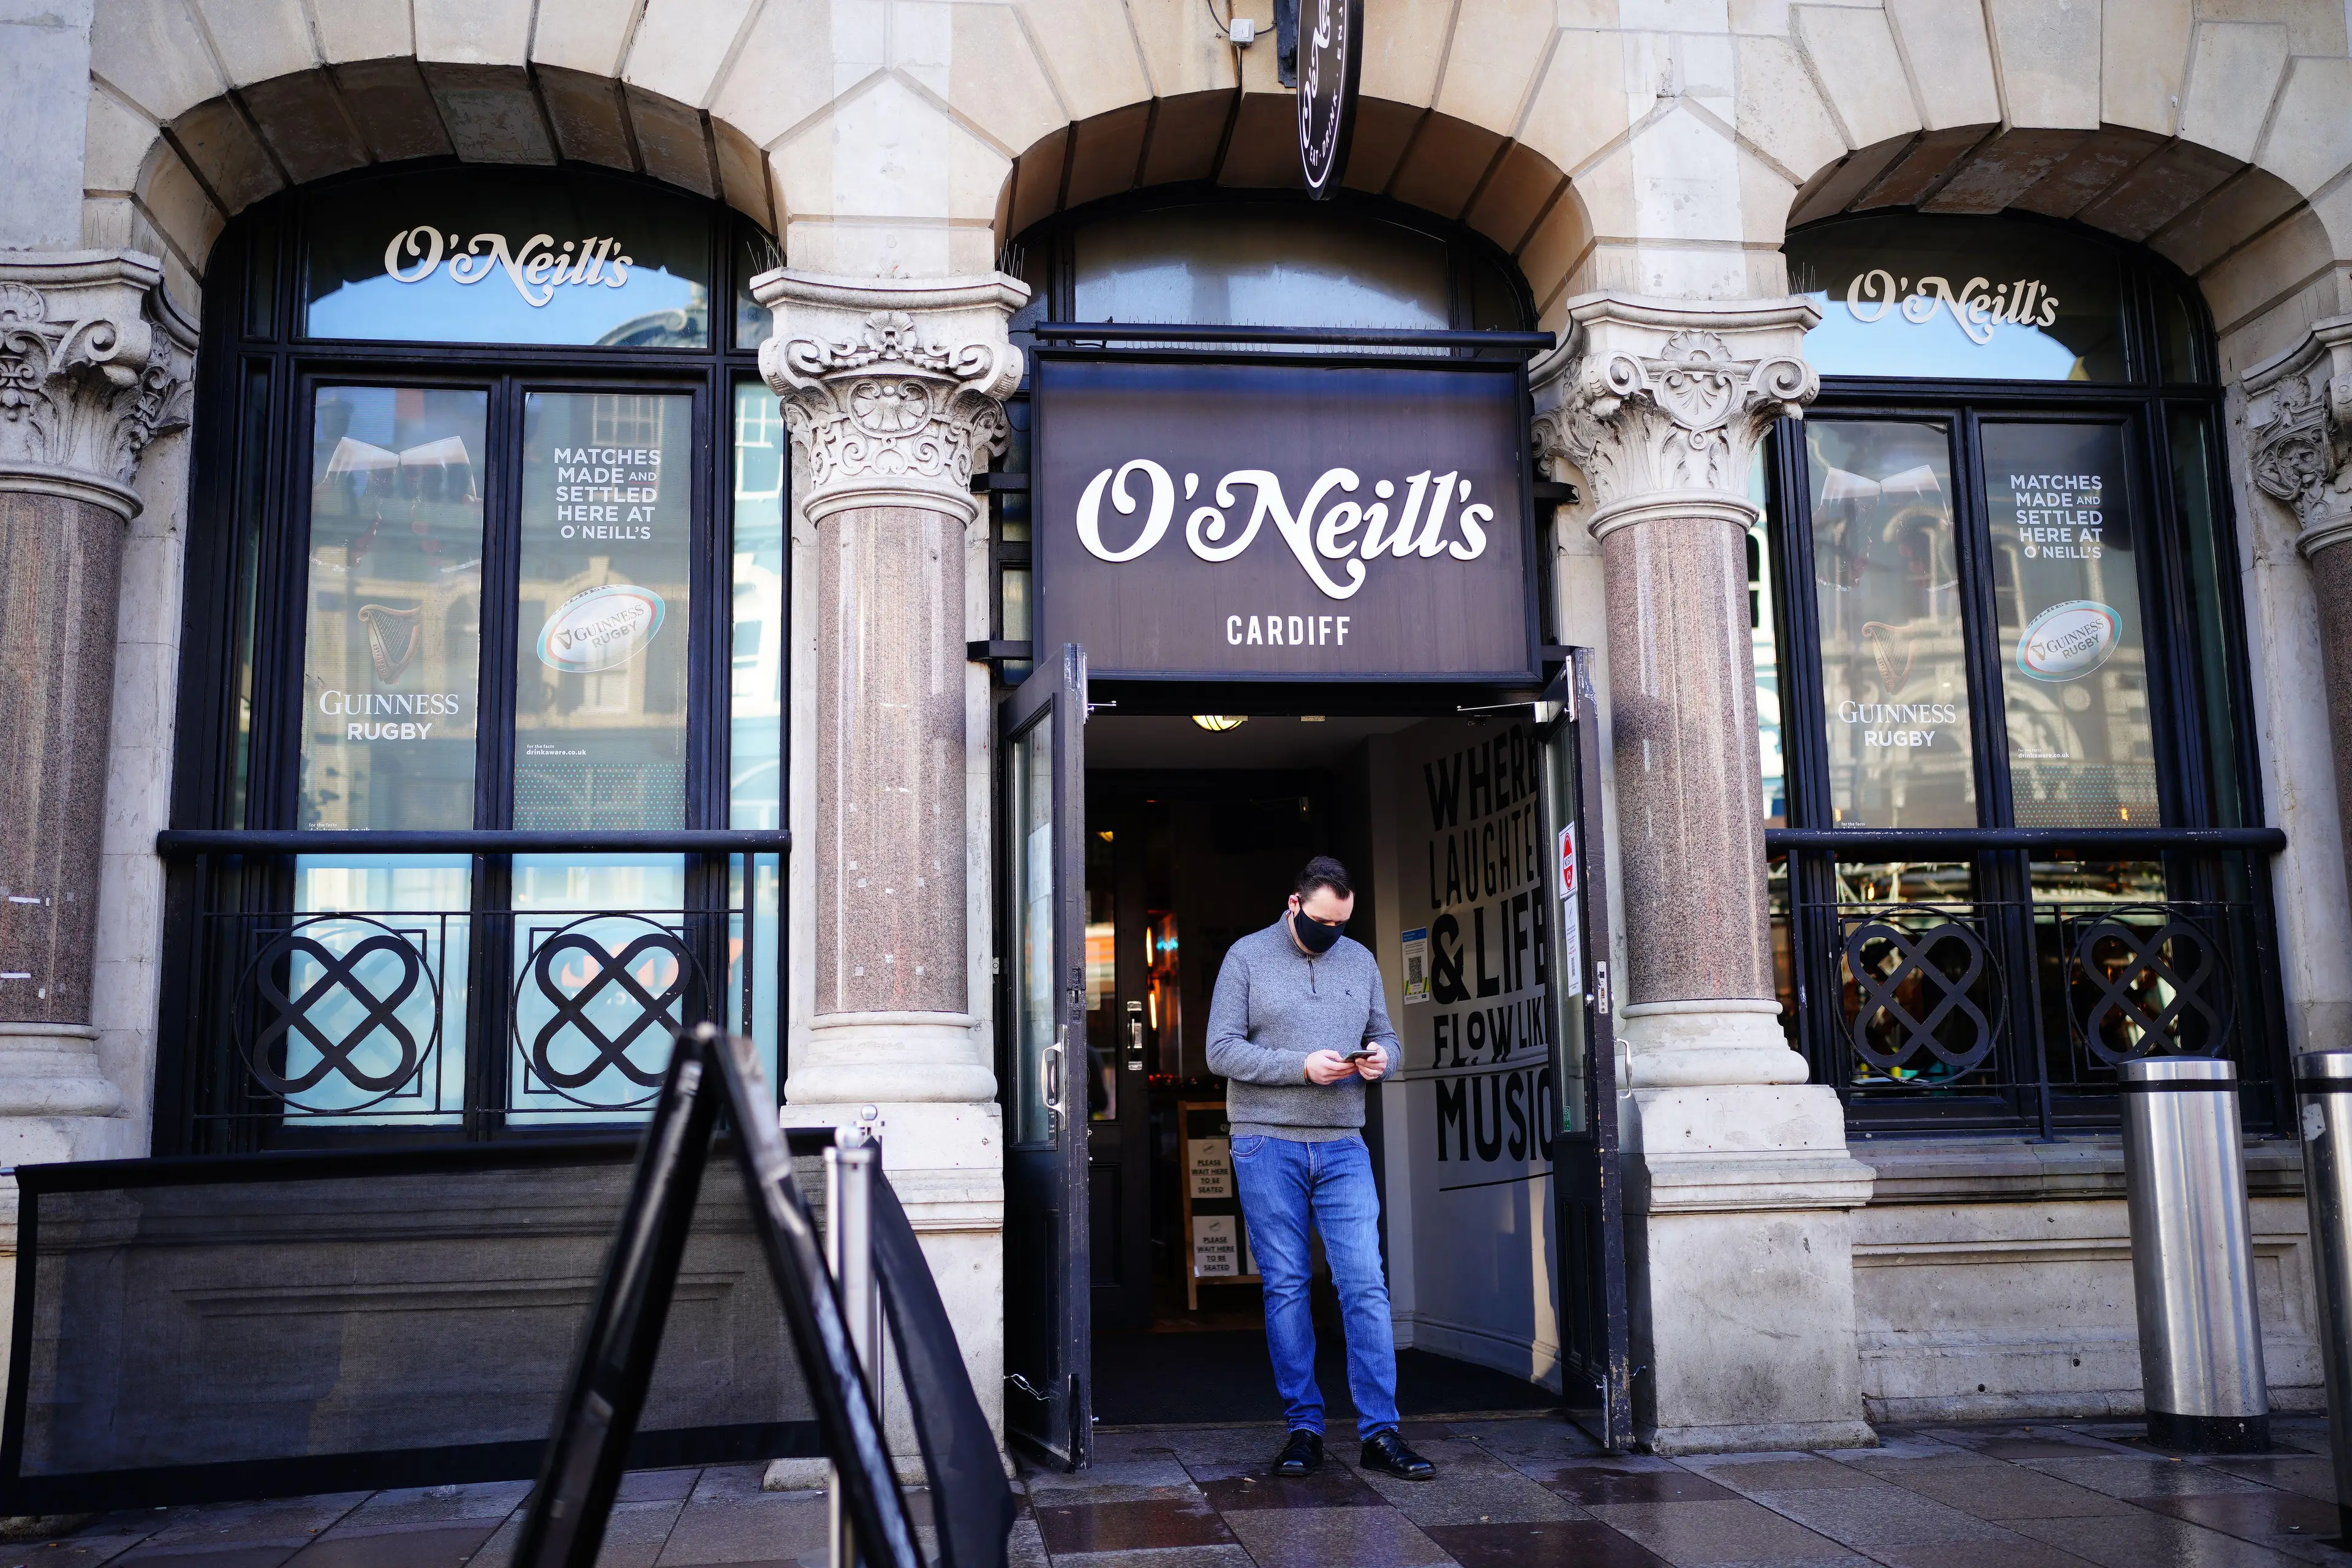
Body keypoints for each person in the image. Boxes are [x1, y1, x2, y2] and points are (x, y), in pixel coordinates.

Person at [1205, 855, 1435, 1482]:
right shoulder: (1247, 958)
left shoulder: (1360, 960)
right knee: (1287, 1285)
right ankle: (1303, 1429)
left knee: (1363, 1282)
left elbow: (1386, 1033)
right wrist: (1299, 1066)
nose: (1333, 934)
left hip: (1342, 1143)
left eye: (1342, 922)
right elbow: (1219, 1048)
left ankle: (1380, 1432)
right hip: (1265, 1141)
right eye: (1323, 921)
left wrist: (1382, 1058)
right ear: (1294, 904)